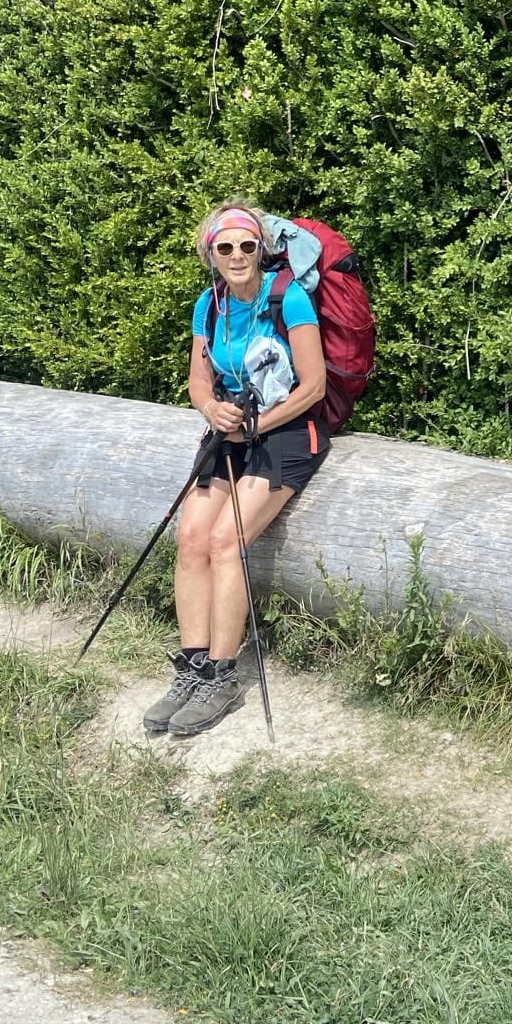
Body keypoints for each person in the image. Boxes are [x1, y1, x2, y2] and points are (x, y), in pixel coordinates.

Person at [143, 201, 331, 738]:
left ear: (261, 249)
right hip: (231, 427)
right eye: (225, 247)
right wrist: (210, 410)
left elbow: (313, 386)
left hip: (290, 431)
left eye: (247, 245)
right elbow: (199, 380)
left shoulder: (289, 298)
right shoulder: (210, 303)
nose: (237, 256)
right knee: (191, 535)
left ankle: (223, 675)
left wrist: (259, 423)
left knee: (227, 539)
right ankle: (193, 669)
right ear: (212, 254)